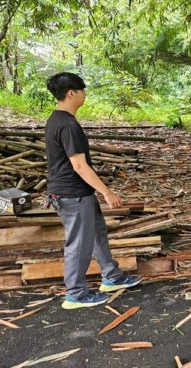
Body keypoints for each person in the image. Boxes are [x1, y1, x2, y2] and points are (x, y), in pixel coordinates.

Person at [44, 72, 142, 310]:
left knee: (97, 233)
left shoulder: (56, 119)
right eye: (82, 91)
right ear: (71, 93)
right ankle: (76, 293)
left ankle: (112, 276)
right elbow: (79, 165)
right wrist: (106, 192)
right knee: (79, 243)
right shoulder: (68, 125)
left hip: (78, 192)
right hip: (72, 194)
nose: (85, 95)